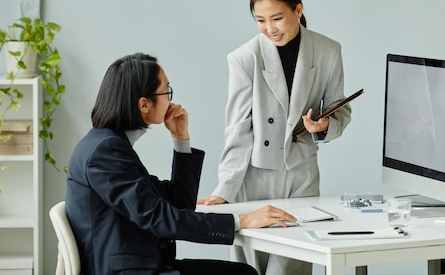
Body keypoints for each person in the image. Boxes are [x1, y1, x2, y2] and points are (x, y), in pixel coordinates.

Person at [66, 53, 296, 275]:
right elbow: (159, 218)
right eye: (167, 91)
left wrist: (181, 140)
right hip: (132, 271)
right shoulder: (104, 152)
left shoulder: (109, 145)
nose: (171, 99)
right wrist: (242, 221)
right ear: (144, 104)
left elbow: (180, 202)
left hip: (146, 264)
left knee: (243, 272)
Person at [198, 0, 352, 275]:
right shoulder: (245, 58)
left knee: (292, 266)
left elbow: (340, 111)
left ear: (298, 10)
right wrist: (225, 190)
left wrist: (323, 127)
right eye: (260, 20)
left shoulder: (328, 51)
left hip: (302, 175)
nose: (270, 29)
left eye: (277, 18)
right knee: (253, 268)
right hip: (255, 178)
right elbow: (238, 128)